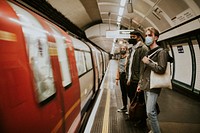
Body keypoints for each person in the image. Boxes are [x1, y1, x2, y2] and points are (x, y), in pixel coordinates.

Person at [137, 27, 169, 133]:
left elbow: (161, 69)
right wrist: (140, 84)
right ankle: (153, 129)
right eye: (146, 35)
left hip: (154, 85)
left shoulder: (162, 52)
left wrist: (148, 62)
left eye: (149, 35)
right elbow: (144, 71)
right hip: (146, 85)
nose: (147, 37)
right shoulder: (149, 51)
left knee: (150, 112)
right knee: (150, 111)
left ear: (156, 37)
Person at [126, 31, 149, 125]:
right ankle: (133, 116)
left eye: (133, 36)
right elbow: (130, 64)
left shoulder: (143, 48)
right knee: (132, 98)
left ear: (139, 37)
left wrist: (140, 82)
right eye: (130, 36)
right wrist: (128, 78)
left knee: (140, 101)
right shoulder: (132, 49)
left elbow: (143, 67)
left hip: (137, 79)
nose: (131, 38)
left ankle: (142, 121)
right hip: (131, 78)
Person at [116, 45, 128, 112]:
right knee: (123, 92)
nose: (122, 49)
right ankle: (124, 106)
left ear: (126, 49)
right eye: (121, 48)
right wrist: (117, 78)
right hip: (121, 76)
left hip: (126, 76)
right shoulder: (119, 58)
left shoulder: (128, 58)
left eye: (124, 48)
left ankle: (131, 109)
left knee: (129, 93)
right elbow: (118, 68)